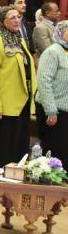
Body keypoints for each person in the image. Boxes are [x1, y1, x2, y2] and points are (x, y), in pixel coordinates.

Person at [0, 6, 37, 170]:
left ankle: (14, 177)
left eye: (18, 17)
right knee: (2, 147)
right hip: (3, 104)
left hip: (21, 101)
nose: (17, 20)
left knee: (17, 145)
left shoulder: (19, 39)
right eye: (12, 18)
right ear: (1, 21)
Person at [36, 20, 68, 161]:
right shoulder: (52, 52)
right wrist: (51, 111)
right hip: (54, 110)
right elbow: (44, 82)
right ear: (61, 32)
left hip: (65, 109)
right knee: (56, 151)